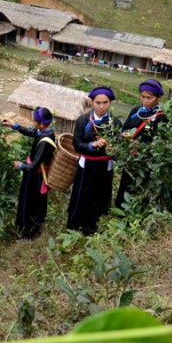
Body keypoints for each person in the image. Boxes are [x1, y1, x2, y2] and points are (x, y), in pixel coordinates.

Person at [66, 87, 122, 235]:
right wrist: (92, 145)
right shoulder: (83, 120)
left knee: (100, 196)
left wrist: (114, 148)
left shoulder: (115, 123)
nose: (101, 106)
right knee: (81, 194)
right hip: (86, 165)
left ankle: (92, 229)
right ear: (92, 103)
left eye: (105, 102)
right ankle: (74, 226)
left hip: (105, 165)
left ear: (110, 103)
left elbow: (119, 149)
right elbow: (77, 145)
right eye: (98, 102)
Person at [1, 107, 57, 239]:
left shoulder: (44, 143)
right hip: (34, 174)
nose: (32, 122)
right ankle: (31, 228)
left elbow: (33, 166)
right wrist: (14, 125)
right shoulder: (45, 132)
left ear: (41, 124)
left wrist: (21, 166)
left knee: (30, 203)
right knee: (33, 202)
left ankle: (29, 232)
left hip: (35, 177)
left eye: (34, 120)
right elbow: (32, 132)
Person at [114, 79, 168, 208]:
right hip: (130, 158)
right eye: (143, 97)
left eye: (149, 98)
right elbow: (125, 128)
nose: (145, 100)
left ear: (158, 97)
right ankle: (120, 211)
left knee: (139, 187)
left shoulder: (161, 116)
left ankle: (137, 214)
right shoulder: (135, 111)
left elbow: (161, 140)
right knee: (125, 184)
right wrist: (124, 135)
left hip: (145, 160)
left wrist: (143, 146)